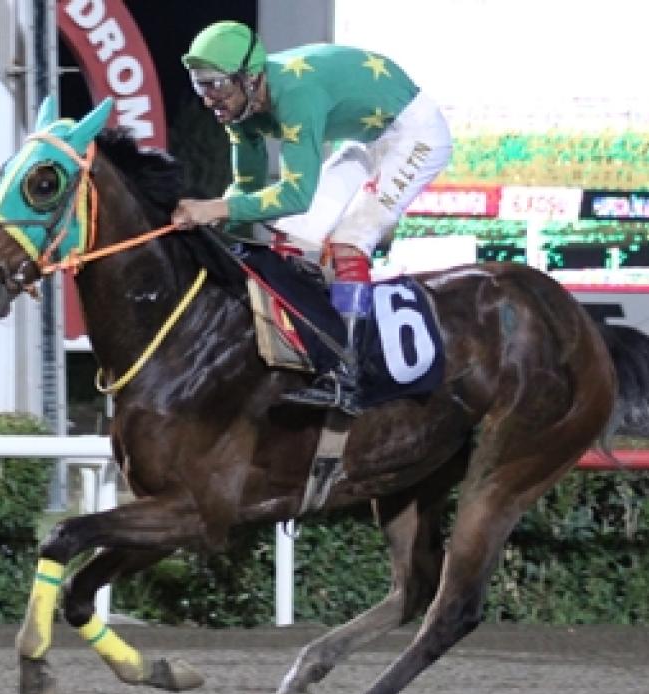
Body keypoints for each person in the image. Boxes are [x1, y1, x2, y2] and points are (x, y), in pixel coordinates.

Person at [171, 21, 452, 414]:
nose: (208, 98)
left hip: (416, 134)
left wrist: (214, 208)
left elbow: (295, 195)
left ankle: (349, 372)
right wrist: (208, 234)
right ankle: (308, 348)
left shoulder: (296, 93)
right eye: (200, 86)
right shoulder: (241, 110)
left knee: (348, 240)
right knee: (291, 236)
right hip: (366, 138)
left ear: (250, 78)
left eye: (216, 84)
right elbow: (247, 189)